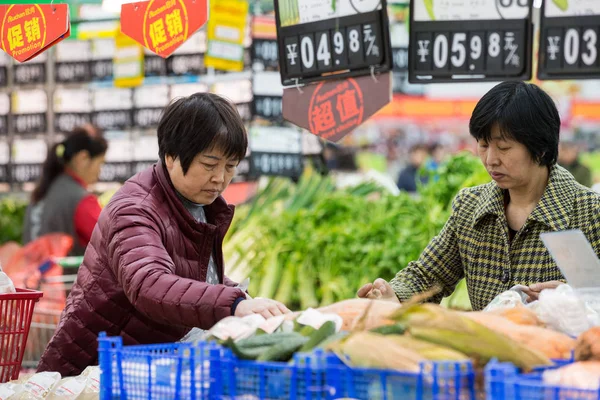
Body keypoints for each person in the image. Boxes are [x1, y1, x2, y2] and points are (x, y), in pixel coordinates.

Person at [37, 93, 291, 377]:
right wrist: (233, 303)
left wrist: (241, 296)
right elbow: (149, 284)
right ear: (171, 156)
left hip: (141, 368)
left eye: (230, 166)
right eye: (209, 165)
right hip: (88, 376)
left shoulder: (197, 205)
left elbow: (187, 275)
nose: (220, 178)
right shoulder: (135, 209)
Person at [358, 81, 600, 311]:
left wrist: (578, 299)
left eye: (503, 148)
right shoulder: (470, 207)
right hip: (485, 353)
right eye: (483, 145)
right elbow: (427, 275)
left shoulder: (590, 213)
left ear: (541, 147)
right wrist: (394, 296)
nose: (490, 159)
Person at [22, 126, 108, 256]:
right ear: (82, 158)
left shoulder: (40, 193)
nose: (100, 172)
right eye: (100, 163)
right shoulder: (81, 200)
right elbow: (112, 242)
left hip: (32, 275)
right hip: (68, 276)